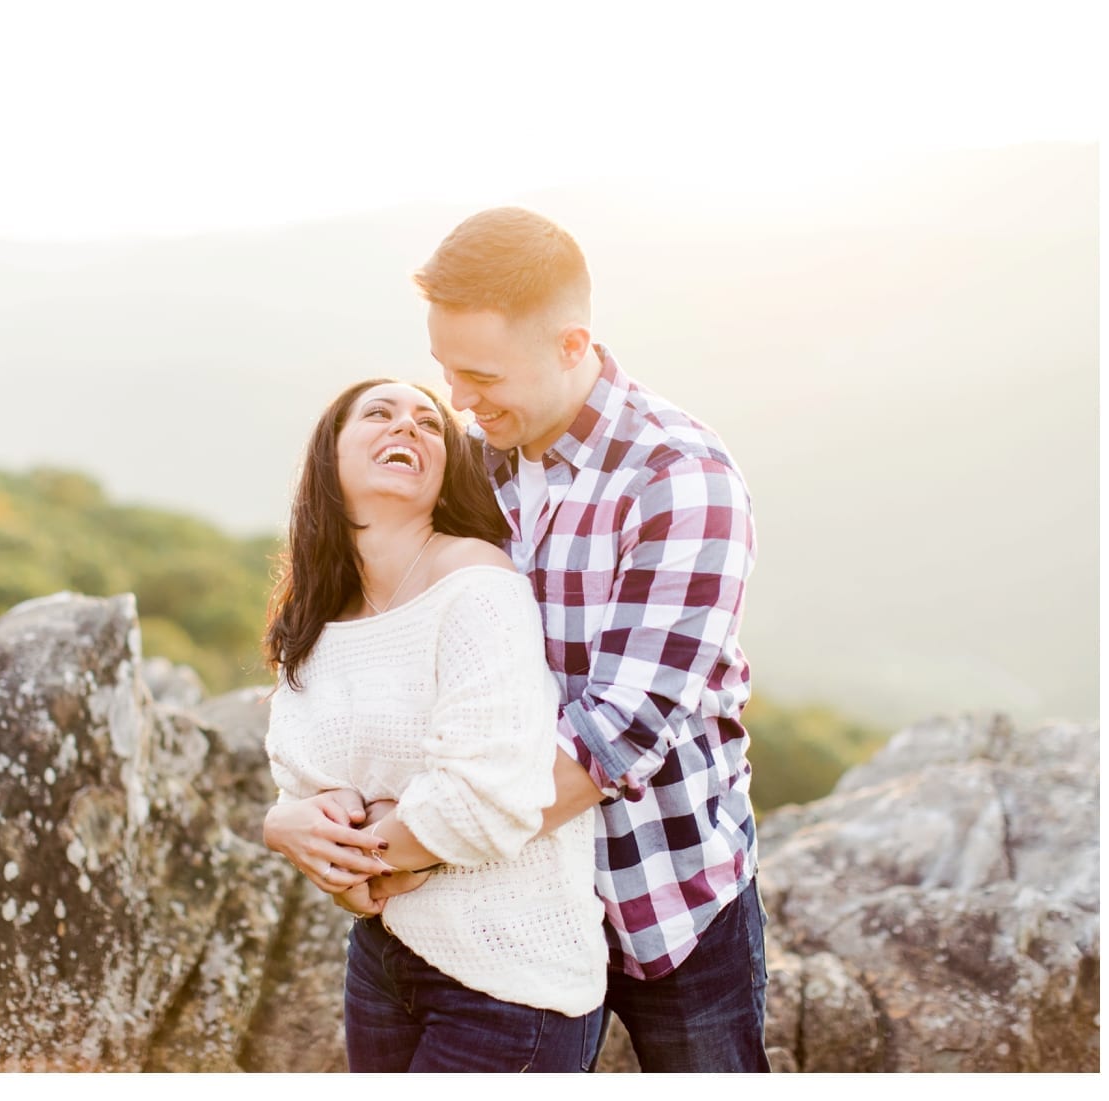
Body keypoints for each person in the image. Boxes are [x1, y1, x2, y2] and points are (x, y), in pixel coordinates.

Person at [268, 208, 769, 1073]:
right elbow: (378, 654)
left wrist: (387, 852)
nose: (455, 401)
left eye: (478, 373)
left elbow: (621, 728)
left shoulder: (680, 478)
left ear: (572, 346)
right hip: (489, 911)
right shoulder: (466, 460)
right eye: (445, 370)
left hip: (658, 884)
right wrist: (293, 817)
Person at [261, 378, 607, 1073]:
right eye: (380, 414)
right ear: (329, 455)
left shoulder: (476, 584)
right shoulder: (316, 619)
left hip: (508, 979)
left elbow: (490, 793)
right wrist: (284, 825)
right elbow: (303, 782)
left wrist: (366, 857)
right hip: (382, 961)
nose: (408, 428)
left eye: (428, 423)